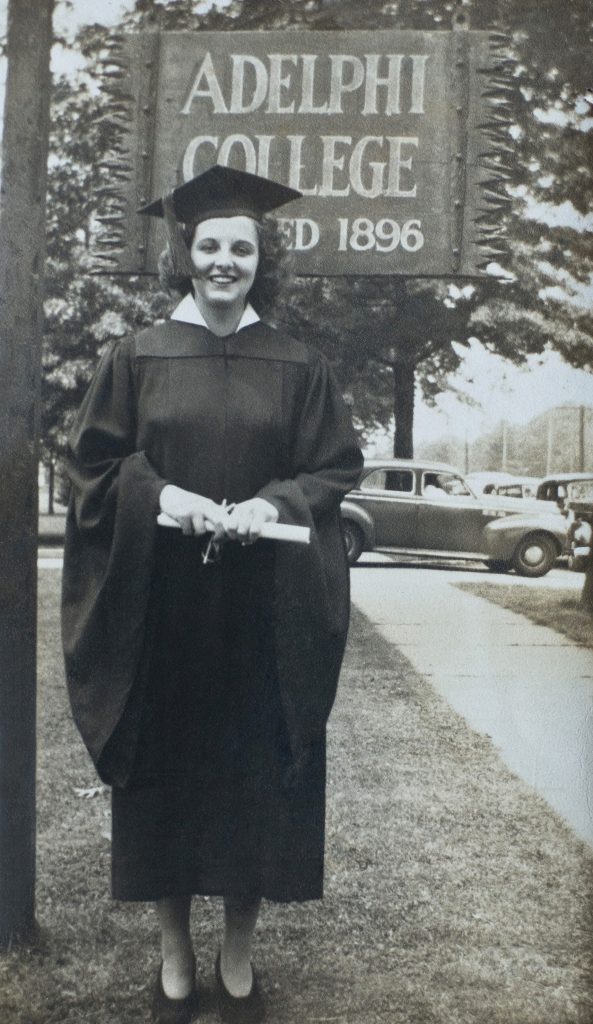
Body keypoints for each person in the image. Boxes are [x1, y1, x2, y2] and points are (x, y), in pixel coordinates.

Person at [61, 164, 363, 1024]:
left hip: (262, 611)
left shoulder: (298, 364)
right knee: (165, 776)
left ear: (261, 259)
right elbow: (93, 463)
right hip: (163, 611)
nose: (225, 260)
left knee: (253, 779)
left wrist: (271, 505)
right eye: (209, 246)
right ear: (184, 256)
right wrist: (165, 498)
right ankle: (173, 956)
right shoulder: (138, 355)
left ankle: (237, 956)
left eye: (241, 246)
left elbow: (334, 467)